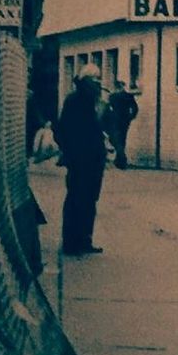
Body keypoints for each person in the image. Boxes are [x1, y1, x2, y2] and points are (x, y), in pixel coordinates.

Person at [54, 63, 107, 256]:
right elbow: (66, 130)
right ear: (88, 82)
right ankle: (74, 241)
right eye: (95, 81)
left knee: (86, 199)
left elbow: (62, 130)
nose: (98, 85)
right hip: (83, 159)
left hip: (88, 159)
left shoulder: (85, 101)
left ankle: (82, 240)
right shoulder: (80, 101)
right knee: (80, 199)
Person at [104, 79, 139, 169]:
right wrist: (131, 117)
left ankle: (121, 159)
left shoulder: (112, 96)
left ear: (116, 87)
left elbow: (107, 109)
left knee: (116, 139)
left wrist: (105, 121)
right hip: (125, 121)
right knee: (122, 139)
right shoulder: (128, 96)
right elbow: (135, 108)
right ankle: (119, 159)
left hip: (114, 121)